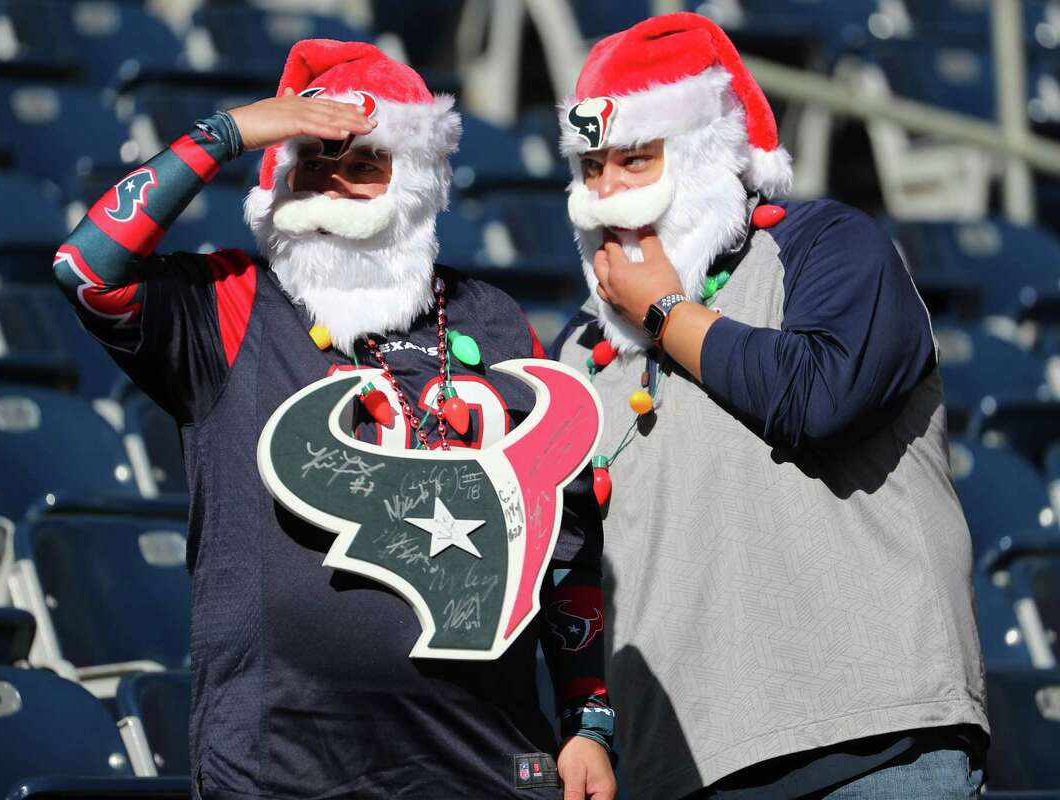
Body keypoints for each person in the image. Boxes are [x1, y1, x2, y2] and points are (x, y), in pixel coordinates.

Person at [54, 39, 616, 800]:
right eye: (309, 161)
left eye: (360, 163)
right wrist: (225, 133)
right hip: (282, 767)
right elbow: (86, 268)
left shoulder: (493, 316)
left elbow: (564, 536)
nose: (329, 183)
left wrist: (587, 720)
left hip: (485, 762)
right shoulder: (231, 299)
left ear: (413, 180)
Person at [550, 13, 987, 800]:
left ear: (707, 154)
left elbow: (823, 398)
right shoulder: (582, 349)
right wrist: (591, 720)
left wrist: (664, 311)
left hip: (874, 745)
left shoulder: (826, 244)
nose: (608, 196)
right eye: (592, 168)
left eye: (637, 160)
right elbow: (574, 554)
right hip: (682, 770)